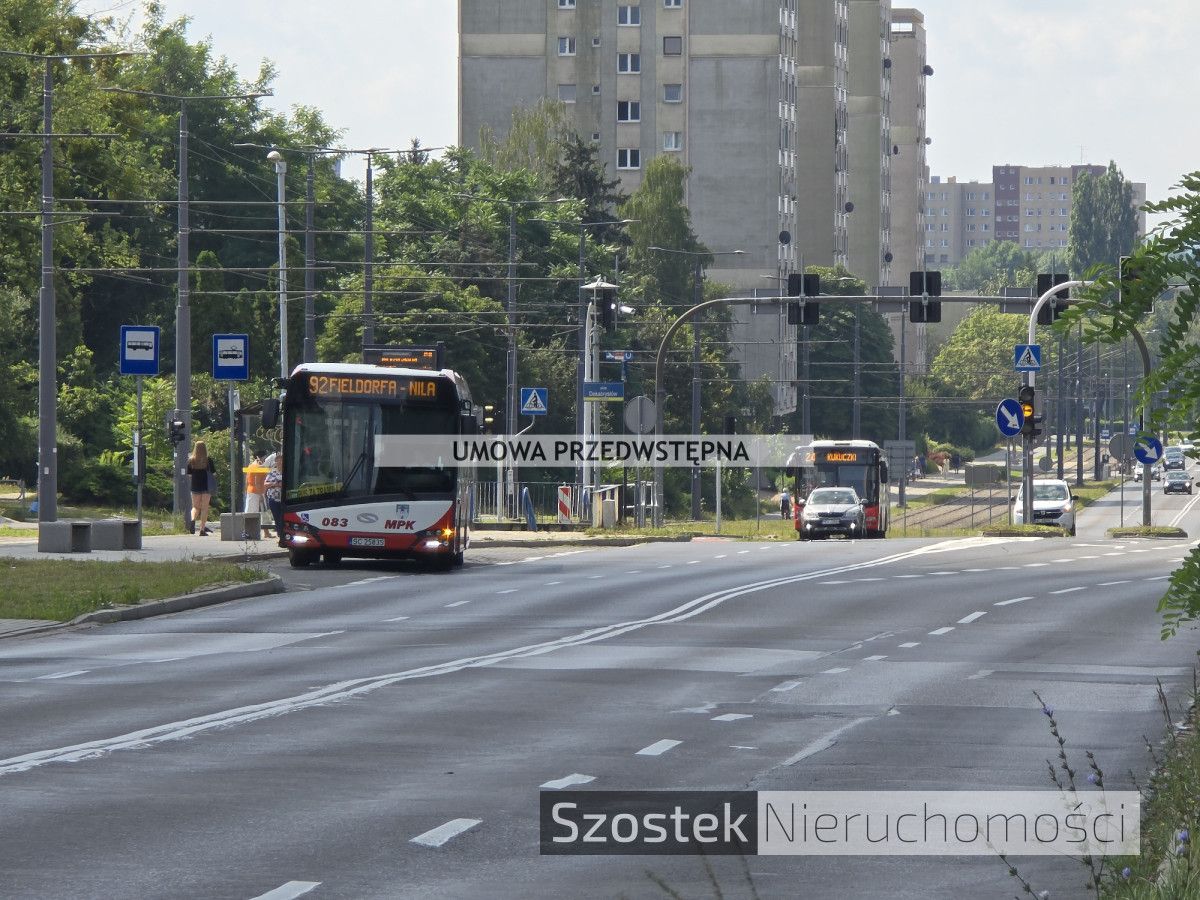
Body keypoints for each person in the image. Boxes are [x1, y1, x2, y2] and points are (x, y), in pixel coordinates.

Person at [185, 440, 216, 535]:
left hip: (195, 486)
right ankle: (202, 530)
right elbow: (214, 473)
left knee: (195, 507)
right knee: (204, 508)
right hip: (206, 486)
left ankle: (193, 520)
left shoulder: (191, 460)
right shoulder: (208, 460)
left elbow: (189, 474)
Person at [263, 453, 283, 546]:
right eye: (278, 460)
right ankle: (280, 536)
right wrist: (275, 484)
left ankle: (284, 536)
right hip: (273, 499)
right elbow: (265, 484)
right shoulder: (272, 472)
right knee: (277, 518)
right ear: (276, 461)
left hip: (284, 500)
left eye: (282, 460)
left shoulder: (288, 472)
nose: (280, 462)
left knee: (283, 518)